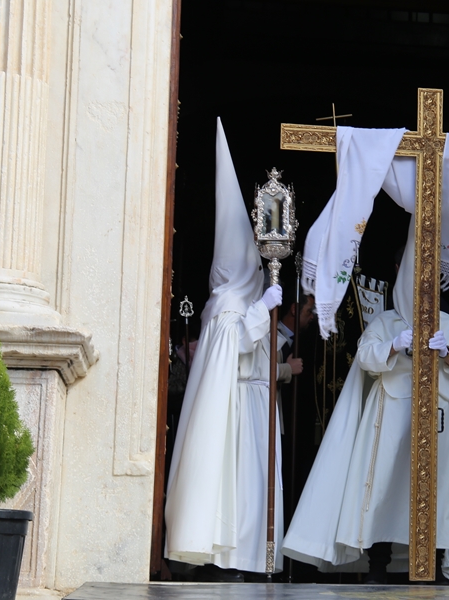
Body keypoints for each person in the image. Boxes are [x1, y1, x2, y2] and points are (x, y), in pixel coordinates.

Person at [282, 220, 449, 584]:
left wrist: (445, 352)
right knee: (384, 491)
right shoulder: (386, 321)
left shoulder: (447, 321)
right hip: (390, 416)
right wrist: (394, 344)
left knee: (435, 489)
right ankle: (378, 566)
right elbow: (365, 358)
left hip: (438, 418)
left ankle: (431, 567)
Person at [164, 118, 286, 582]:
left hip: (254, 400)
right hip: (236, 408)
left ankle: (252, 558)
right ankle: (231, 557)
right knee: (239, 485)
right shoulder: (231, 304)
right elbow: (233, 348)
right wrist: (262, 313)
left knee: (253, 486)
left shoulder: (239, 301)